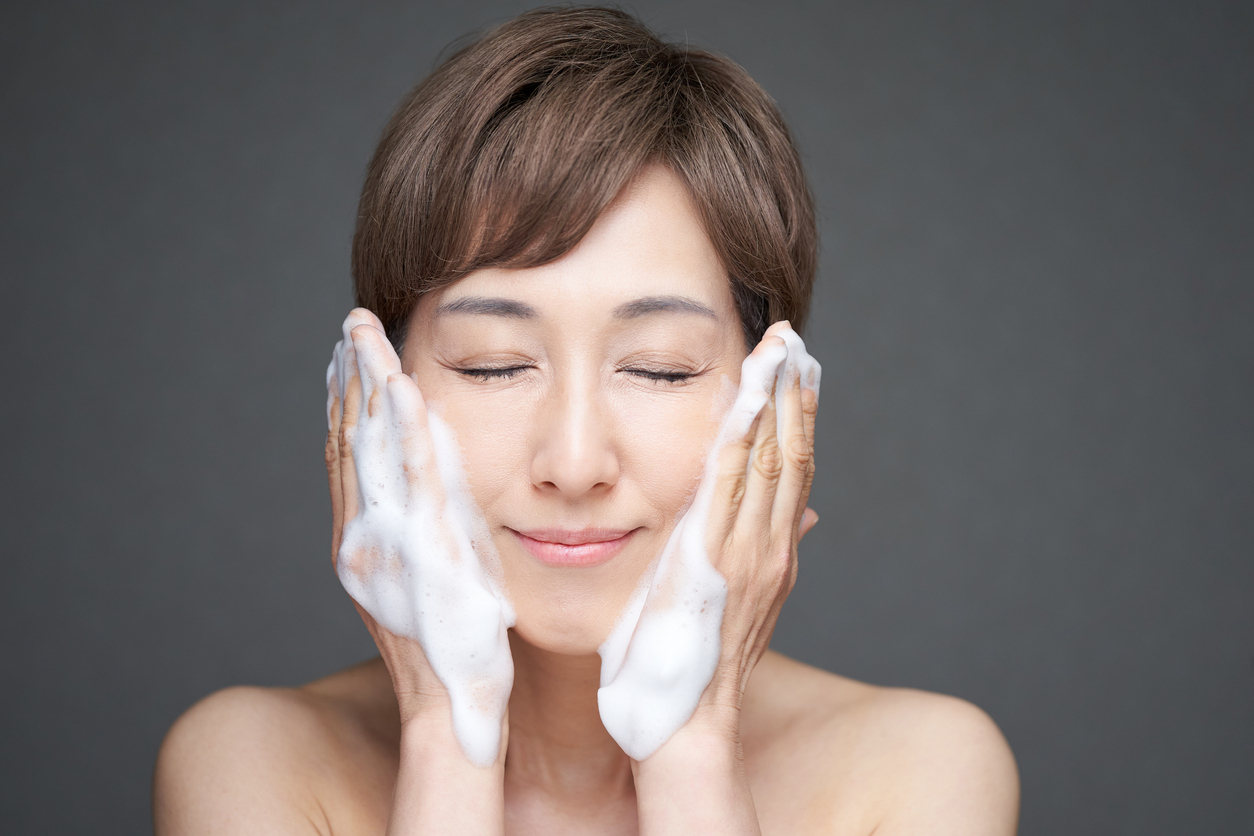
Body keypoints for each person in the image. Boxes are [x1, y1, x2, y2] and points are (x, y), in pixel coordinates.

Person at [153, 7, 1019, 834]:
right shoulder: (251, 763)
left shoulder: (919, 770)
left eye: (658, 368)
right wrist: (446, 737)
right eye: (494, 364)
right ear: (374, 392)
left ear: (777, 399)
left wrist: (692, 749)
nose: (573, 462)